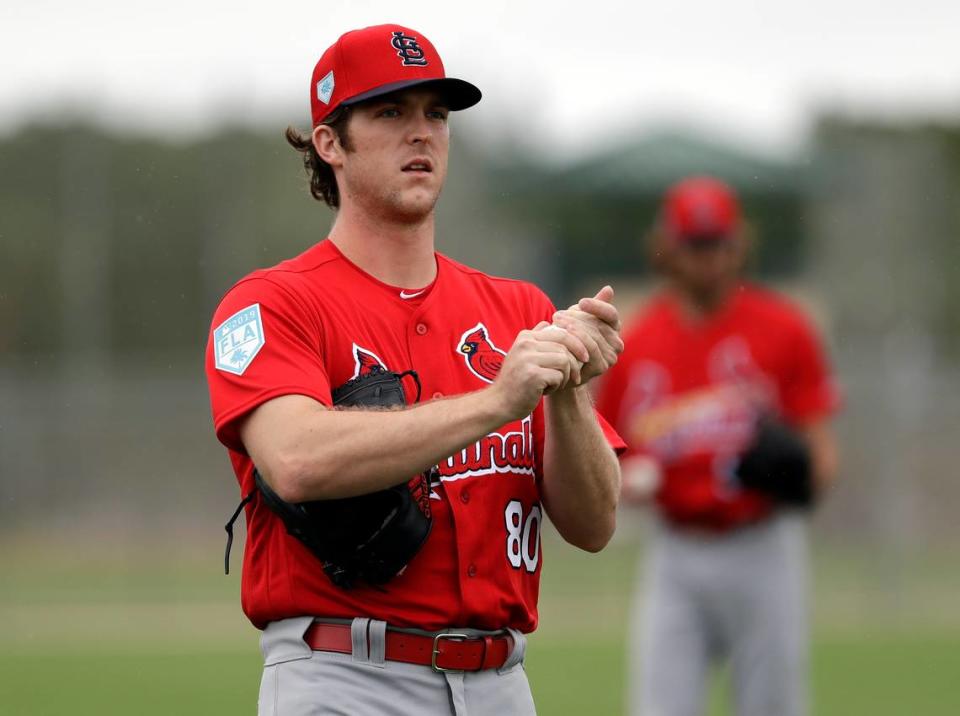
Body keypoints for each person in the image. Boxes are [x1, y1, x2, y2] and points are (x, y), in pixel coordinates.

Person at [204, 23, 625, 716]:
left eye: (436, 113)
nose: (421, 133)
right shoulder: (270, 305)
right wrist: (496, 401)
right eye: (390, 112)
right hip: (346, 676)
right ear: (330, 142)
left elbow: (595, 524)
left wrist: (569, 395)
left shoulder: (518, 308)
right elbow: (296, 460)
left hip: (502, 681)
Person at [595, 176, 841, 716]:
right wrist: (624, 481)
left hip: (762, 544)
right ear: (669, 248)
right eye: (694, 244)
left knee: (772, 705)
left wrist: (798, 476)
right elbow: (605, 458)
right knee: (659, 705)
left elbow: (821, 453)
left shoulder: (783, 329)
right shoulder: (636, 344)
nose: (708, 258)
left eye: (718, 242)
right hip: (677, 549)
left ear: (738, 244)